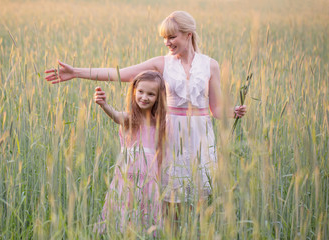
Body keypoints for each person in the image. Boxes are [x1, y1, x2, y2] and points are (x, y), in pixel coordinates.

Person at [45, 11, 246, 204]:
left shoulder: (210, 65)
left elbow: (216, 109)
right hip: (169, 134)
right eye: (164, 38)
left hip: (199, 136)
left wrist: (233, 112)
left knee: (198, 198)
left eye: (172, 37)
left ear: (188, 35)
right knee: (169, 196)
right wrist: (76, 72)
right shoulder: (162, 63)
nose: (167, 42)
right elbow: (120, 73)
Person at [93, 70, 167, 233]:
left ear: (158, 98)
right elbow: (116, 116)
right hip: (128, 176)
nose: (144, 97)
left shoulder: (160, 123)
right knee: (124, 204)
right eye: (140, 92)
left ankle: (144, 233)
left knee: (145, 207)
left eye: (150, 94)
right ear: (134, 91)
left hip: (148, 178)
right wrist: (104, 105)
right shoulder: (130, 119)